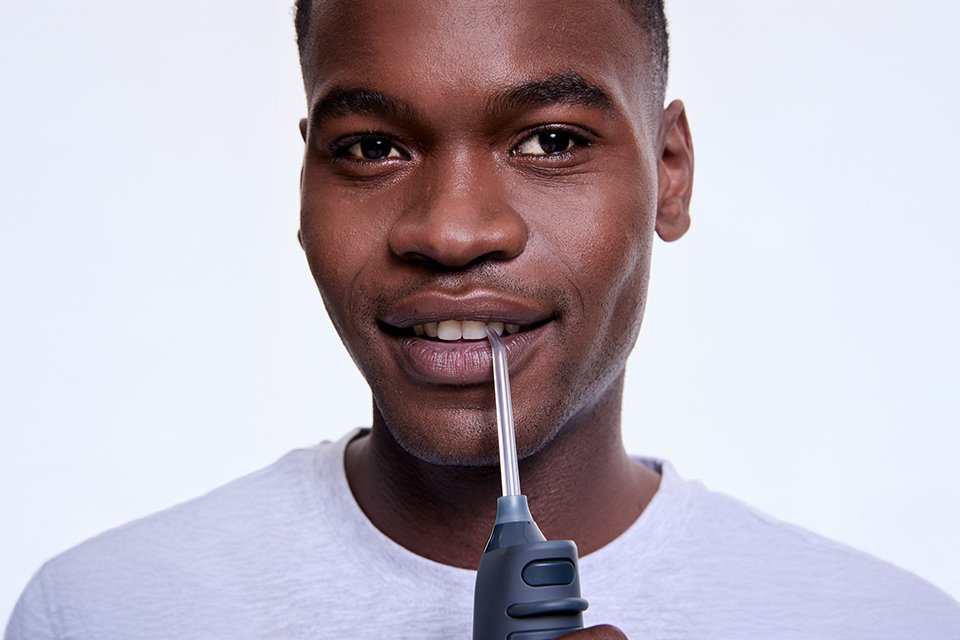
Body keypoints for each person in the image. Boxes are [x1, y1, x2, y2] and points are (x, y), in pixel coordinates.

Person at [6, 1, 959, 638]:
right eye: (373, 146)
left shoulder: (887, 625)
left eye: (551, 140)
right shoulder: (96, 611)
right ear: (303, 184)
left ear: (670, 172)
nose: (454, 231)